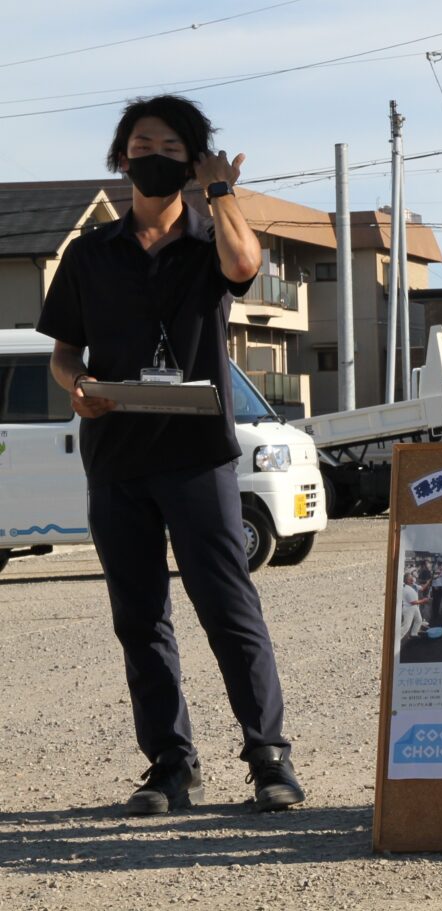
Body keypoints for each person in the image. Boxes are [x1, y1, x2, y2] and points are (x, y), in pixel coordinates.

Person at [36, 95, 305, 815]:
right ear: (121, 155)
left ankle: (268, 758)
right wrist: (78, 385)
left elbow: (246, 264)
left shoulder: (208, 238)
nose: (149, 153)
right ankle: (170, 765)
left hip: (196, 455)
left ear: (190, 161)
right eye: (139, 141)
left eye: (168, 145)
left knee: (226, 603)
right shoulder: (91, 253)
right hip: (116, 454)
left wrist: (222, 193)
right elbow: (64, 353)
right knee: (139, 613)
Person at [399, 572, 430, 640]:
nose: (412, 579)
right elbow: (413, 602)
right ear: (407, 580)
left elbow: (421, 588)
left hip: (415, 607)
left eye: (412, 577)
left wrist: (428, 582)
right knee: (406, 626)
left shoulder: (413, 585)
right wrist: (424, 600)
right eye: (410, 578)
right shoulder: (406, 589)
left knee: (419, 620)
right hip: (409, 608)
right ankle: (397, 639)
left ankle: (414, 634)